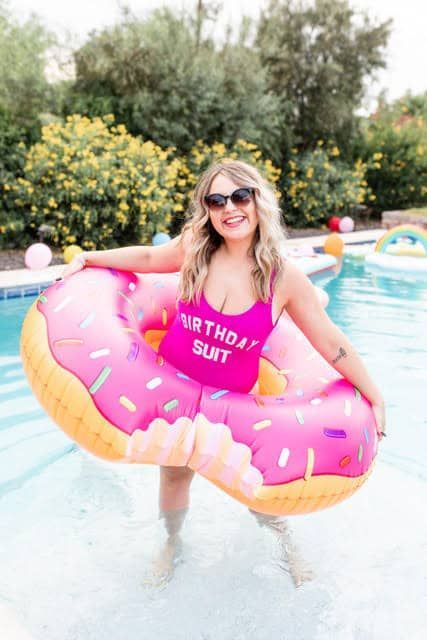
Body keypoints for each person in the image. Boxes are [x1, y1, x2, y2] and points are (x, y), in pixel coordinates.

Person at [62, 159, 386, 559]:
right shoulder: (196, 249)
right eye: (216, 201)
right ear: (207, 210)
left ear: (257, 200)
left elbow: (328, 340)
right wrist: (91, 257)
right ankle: (172, 545)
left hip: (235, 405)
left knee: (259, 491)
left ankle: (285, 548)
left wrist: (374, 394)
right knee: (175, 476)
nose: (229, 208)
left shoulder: (282, 278)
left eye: (239, 196)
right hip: (174, 388)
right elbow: (147, 260)